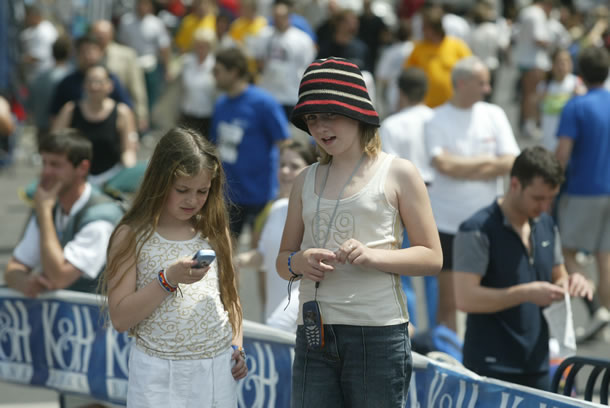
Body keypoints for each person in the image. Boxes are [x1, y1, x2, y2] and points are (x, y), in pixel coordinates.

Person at [276, 57, 443, 407]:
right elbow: (283, 261)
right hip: (314, 332)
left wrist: (373, 256)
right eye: (312, 118)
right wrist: (299, 261)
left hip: (378, 333)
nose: (320, 127)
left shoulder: (399, 172)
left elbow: (432, 257)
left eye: (330, 114)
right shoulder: (305, 179)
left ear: (356, 112)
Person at [102, 127, 247, 407]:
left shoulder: (214, 230)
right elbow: (120, 318)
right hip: (157, 371)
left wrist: (237, 345)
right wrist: (168, 279)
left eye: (202, 191)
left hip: (216, 366)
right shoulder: (132, 234)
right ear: (160, 182)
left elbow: (231, 299)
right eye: (182, 190)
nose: (192, 200)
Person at [454, 146, 594, 390]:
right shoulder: (477, 229)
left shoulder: (546, 224)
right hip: (490, 367)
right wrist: (525, 293)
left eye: (551, 198)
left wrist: (572, 283)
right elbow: (466, 299)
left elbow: (558, 276)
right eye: (538, 198)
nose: (545, 207)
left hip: (537, 364)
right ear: (515, 184)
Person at [425, 55, 520, 333]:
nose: (488, 89)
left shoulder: (494, 114)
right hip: (448, 224)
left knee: (493, 295)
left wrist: (462, 167)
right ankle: (450, 353)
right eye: (482, 83)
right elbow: (443, 165)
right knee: (449, 302)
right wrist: (489, 163)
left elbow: (511, 161)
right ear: (462, 83)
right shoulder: (436, 118)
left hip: (489, 224)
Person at [4, 129, 123, 296]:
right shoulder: (51, 207)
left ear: (82, 168)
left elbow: (59, 277)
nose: (46, 172)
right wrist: (28, 284)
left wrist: (44, 211)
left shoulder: (101, 219)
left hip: (101, 310)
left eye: (55, 165)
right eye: (44, 163)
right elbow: (14, 268)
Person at [555, 46, 610, 332]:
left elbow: (562, 154)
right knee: (605, 256)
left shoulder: (576, 106)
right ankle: (605, 319)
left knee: (565, 251)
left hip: (584, 189)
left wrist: (552, 183)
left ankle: (596, 308)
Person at [235, 140, 317, 330]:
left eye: (294, 166)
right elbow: (264, 256)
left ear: (310, 171)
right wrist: (236, 261)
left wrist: (281, 320)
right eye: (282, 165)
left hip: (295, 320)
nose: (285, 171)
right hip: (272, 315)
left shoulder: (315, 214)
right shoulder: (275, 208)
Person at [210, 47, 290, 238]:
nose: (214, 76)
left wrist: (286, 185)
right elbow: (215, 146)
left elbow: (285, 143)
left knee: (260, 250)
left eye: (217, 71)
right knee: (226, 249)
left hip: (260, 195)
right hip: (229, 195)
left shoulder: (263, 103)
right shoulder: (220, 104)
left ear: (234, 72)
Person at [52, 64, 138, 187]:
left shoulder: (122, 112)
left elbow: (128, 151)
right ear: (83, 85)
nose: (94, 86)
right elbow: (55, 145)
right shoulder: (70, 110)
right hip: (76, 178)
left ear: (110, 85)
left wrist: (130, 173)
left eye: (99, 82)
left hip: (112, 177)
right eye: (90, 81)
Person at [49, 33, 133, 122]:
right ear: (76, 55)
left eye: (91, 51)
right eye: (83, 52)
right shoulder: (67, 83)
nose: (87, 56)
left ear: (100, 53)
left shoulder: (111, 79)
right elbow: (54, 115)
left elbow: (127, 109)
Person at [404, 4, 471, 108]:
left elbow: (470, 70)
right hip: (425, 107)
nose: (422, 30)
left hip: (452, 106)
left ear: (435, 27)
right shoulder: (418, 48)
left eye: (425, 27)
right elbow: (408, 74)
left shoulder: (457, 46)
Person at [91, 20, 149, 133]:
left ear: (111, 35)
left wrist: (141, 114)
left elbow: (137, 86)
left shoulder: (127, 55)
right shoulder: (88, 54)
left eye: (103, 34)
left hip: (121, 110)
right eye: (96, 34)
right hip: (95, 111)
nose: (100, 38)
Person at [178, 28, 218, 137]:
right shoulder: (186, 62)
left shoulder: (215, 65)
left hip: (207, 115)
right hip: (187, 113)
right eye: (198, 45)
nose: (200, 49)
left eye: (204, 46)